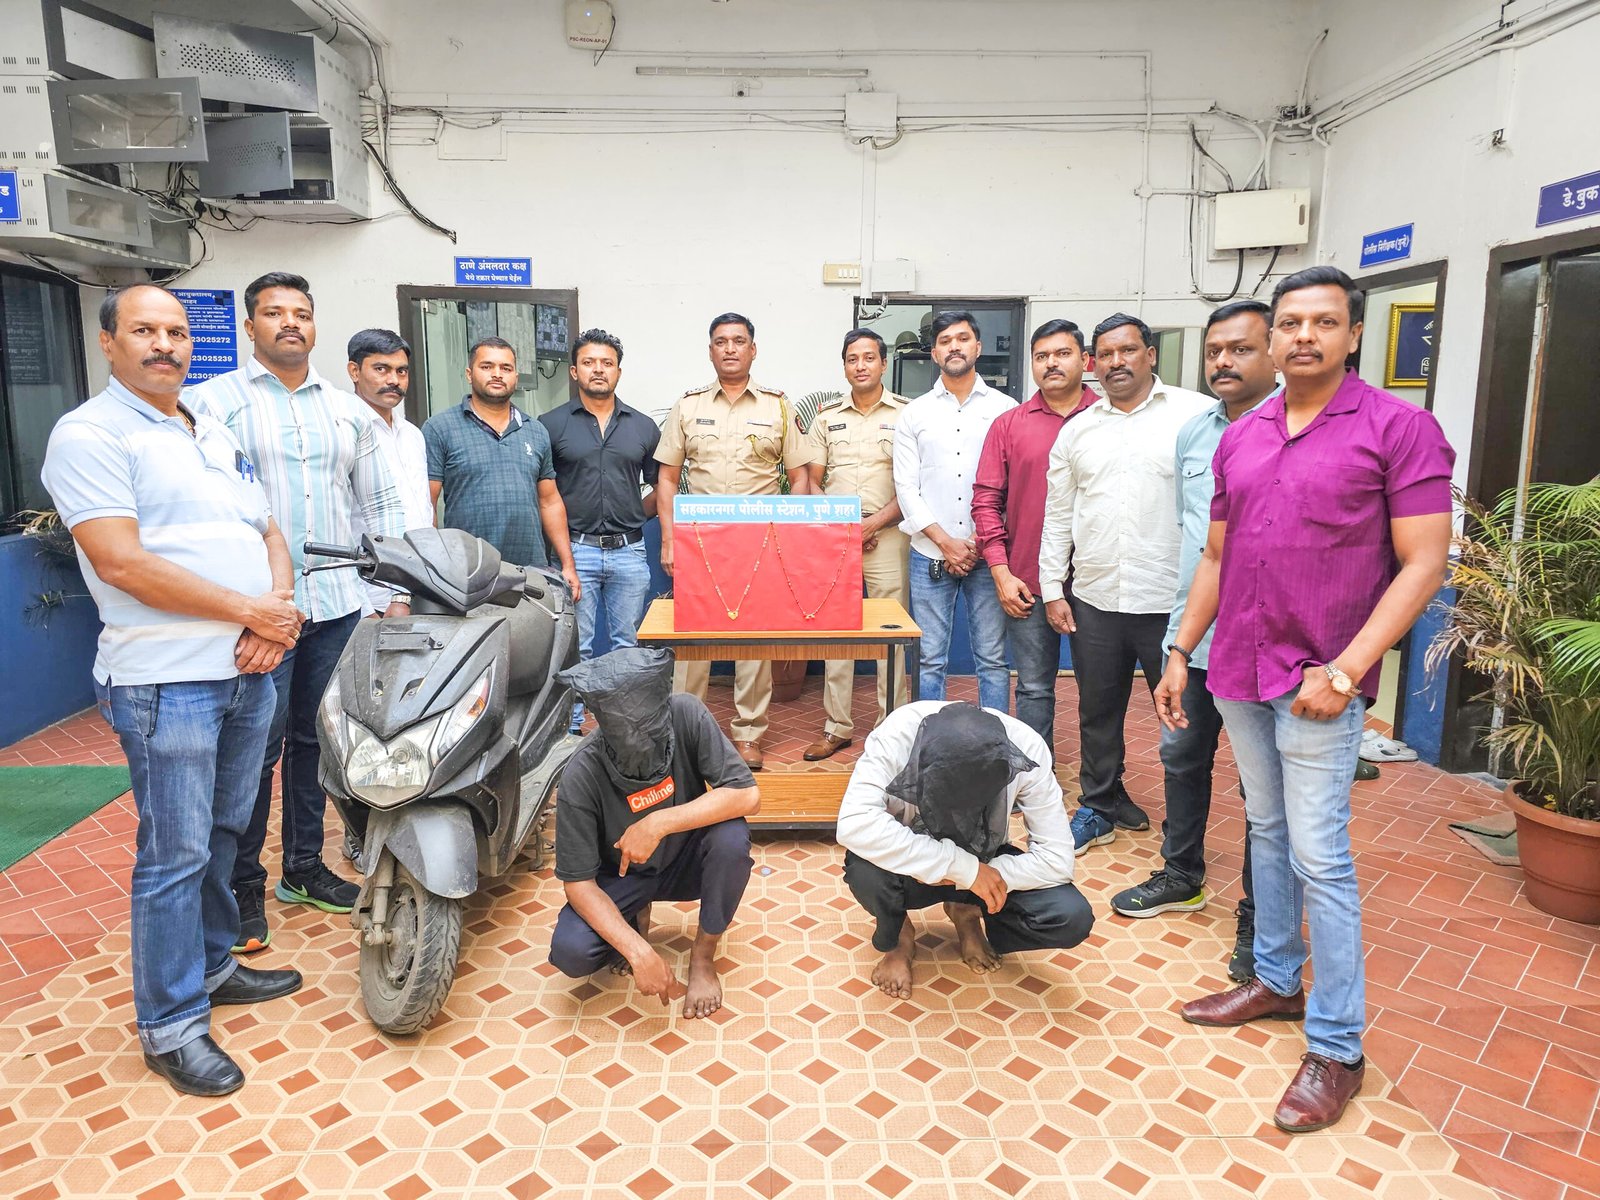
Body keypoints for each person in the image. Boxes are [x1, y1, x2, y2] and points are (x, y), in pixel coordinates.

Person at [1162, 266, 1453, 1133]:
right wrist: (1180, 649)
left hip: (1320, 679)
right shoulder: (1243, 435)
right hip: (1238, 668)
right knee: (1266, 828)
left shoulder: (1400, 429)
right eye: (1290, 323)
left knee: (1321, 856)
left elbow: (1424, 563)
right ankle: (1276, 981)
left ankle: (1337, 1048)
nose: (1304, 337)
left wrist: (1349, 671)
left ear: (1354, 334)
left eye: (1324, 322)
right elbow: (1216, 557)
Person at [42, 284, 304, 1095]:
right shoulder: (89, 434)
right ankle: (171, 1025)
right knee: (175, 852)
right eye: (145, 331)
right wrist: (252, 612)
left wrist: (273, 615)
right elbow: (120, 563)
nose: (165, 345)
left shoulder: (207, 428)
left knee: (226, 832)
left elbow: (267, 531)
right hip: (167, 680)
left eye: (178, 332)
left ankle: (215, 965)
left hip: (247, 669)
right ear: (108, 342)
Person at [189, 271, 405, 952]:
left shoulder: (346, 411)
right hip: (258, 615)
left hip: (335, 606)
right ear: (249, 326)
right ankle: (241, 886)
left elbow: (379, 505)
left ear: (314, 325)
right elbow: (201, 511)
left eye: (301, 313)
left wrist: (390, 592)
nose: (290, 323)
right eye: (274, 312)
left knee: (316, 744)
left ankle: (303, 868)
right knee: (252, 751)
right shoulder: (211, 404)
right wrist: (243, 606)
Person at [1109, 302, 1278, 985]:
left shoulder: (1295, 431)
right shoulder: (1196, 433)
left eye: (1241, 349)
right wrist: (1178, 643)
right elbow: (1198, 547)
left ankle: (1261, 917)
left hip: (1267, 645)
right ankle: (1182, 873)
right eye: (1214, 351)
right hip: (1195, 635)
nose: (1224, 362)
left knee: (1265, 790)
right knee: (1181, 755)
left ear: (1274, 352)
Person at [1037, 313, 1211, 855]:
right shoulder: (1078, 430)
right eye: (1106, 354)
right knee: (1097, 711)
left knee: (1182, 723)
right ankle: (1100, 805)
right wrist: (1051, 586)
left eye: (1128, 350)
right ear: (1094, 363)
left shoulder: (1195, 416)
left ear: (1150, 354)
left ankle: (1183, 842)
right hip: (1097, 598)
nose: (1117, 362)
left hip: (1174, 604)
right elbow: (1058, 514)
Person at [548, 647, 760, 1019]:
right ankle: (636, 920)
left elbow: (747, 795)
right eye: (626, 731)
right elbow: (578, 884)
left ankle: (703, 956)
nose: (639, 738)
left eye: (648, 726)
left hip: (685, 862)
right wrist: (638, 952)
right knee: (572, 952)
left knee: (731, 837)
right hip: (624, 876)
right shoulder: (581, 773)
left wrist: (657, 824)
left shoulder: (687, 714)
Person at [836, 701, 1093, 1000]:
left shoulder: (1028, 749)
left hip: (986, 861)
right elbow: (854, 824)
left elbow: (1057, 860)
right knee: (865, 871)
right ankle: (900, 938)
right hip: (913, 868)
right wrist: (960, 868)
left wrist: (979, 876)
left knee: (1069, 915)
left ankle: (966, 912)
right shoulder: (896, 737)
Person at [654, 313, 813, 771]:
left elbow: (800, 476)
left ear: (752, 350)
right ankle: (684, 731)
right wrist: (670, 539)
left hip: (760, 542)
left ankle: (749, 734)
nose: (729, 349)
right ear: (710, 351)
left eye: (738, 341)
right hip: (700, 542)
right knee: (693, 640)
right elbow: (667, 478)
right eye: (721, 341)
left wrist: (789, 534)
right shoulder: (687, 407)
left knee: (754, 640)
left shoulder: (778, 407)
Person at [973, 318, 1099, 755]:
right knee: (1033, 687)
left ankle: (1103, 784)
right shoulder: (1009, 425)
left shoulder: (1108, 421)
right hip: (1027, 579)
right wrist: (1001, 572)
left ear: (1086, 361)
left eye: (1062, 354)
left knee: (1101, 690)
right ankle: (1036, 776)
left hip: (1097, 582)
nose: (1051, 363)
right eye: (1041, 356)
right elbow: (985, 501)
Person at [892, 311, 1015, 711]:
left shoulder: (1006, 409)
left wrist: (979, 542)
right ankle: (932, 737)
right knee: (929, 659)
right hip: (930, 553)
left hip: (989, 554)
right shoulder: (915, 413)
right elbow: (906, 487)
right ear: (934, 354)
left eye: (962, 338)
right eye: (945, 341)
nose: (954, 347)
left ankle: (996, 737)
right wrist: (946, 543)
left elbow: (1012, 484)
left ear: (978, 347)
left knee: (992, 660)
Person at [539, 329, 660, 734]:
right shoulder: (551, 426)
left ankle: (621, 731)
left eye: (607, 363)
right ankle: (571, 729)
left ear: (618, 372)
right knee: (577, 645)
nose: (598, 369)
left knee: (627, 645)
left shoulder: (643, 427)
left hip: (629, 552)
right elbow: (544, 493)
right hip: (576, 552)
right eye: (589, 362)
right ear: (574, 371)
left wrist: (633, 517)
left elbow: (661, 487)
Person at [801, 328, 911, 761]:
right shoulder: (827, 418)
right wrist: (843, 527)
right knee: (838, 633)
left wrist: (872, 525)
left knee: (890, 634)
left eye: (869, 357)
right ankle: (837, 727)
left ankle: (892, 726)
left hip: (888, 536)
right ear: (844, 366)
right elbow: (811, 479)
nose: (860, 365)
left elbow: (912, 485)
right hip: (837, 539)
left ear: (883, 363)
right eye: (852, 358)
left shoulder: (907, 414)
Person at [421, 336, 581, 597]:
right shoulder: (440, 428)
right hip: (466, 572)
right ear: (469, 374)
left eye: (506, 368)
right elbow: (427, 503)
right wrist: (432, 568)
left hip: (530, 572)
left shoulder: (535, 431)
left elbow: (549, 502)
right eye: (487, 366)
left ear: (515, 377)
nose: (497, 374)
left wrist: (568, 565)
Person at [346, 328, 434, 616]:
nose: (394, 380)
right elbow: (334, 524)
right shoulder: (342, 431)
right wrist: (364, 607)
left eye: (401, 371)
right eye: (381, 369)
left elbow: (422, 512)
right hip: (371, 596)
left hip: (419, 589)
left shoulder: (412, 435)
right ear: (354, 371)